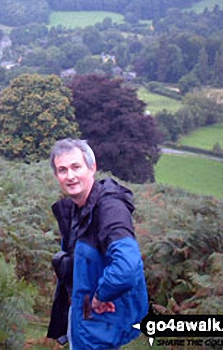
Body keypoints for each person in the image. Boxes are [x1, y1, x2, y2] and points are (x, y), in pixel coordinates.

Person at [47, 138, 148, 349]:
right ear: (57, 176)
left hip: (105, 327)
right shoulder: (76, 209)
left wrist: (101, 296)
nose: (70, 176)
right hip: (87, 321)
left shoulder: (110, 210)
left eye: (76, 167)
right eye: (62, 170)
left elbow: (128, 266)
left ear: (92, 167)